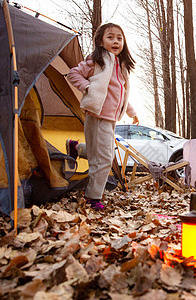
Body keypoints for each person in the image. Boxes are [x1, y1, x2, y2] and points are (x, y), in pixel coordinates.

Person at [66, 23, 139, 210]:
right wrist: (88, 88)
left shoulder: (121, 65)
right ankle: (92, 197)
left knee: (97, 152)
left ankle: (75, 147)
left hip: (110, 118)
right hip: (98, 115)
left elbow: (120, 94)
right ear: (100, 41)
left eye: (119, 38)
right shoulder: (97, 60)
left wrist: (131, 112)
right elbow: (73, 73)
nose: (115, 41)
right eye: (110, 37)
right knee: (105, 157)